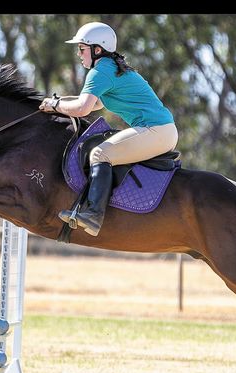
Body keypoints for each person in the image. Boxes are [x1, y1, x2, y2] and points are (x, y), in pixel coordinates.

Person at [39, 21, 178, 237]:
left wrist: (55, 105)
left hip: (156, 130)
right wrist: (59, 102)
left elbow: (83, 109)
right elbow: (95, 104)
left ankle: (94, 215)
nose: (79, 54)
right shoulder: (109, 67)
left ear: (97, 49)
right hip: (162, 130)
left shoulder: (100, 71)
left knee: (100, 153)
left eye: (82, 49)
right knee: (102, 152)